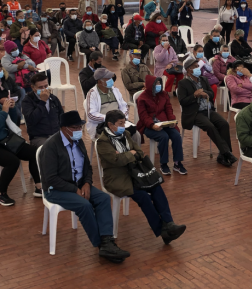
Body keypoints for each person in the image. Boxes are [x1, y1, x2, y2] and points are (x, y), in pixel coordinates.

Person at [38, 110, 130, 262]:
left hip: (80, 184)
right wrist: (75, 189)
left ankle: (107, 239)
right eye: (75, 128)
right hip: (57, 190)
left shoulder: (78, 141)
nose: (79, 131)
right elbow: (51, 178)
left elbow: (87, 166)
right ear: (64, 128)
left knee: (103, 198)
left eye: (80, 127)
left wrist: (87, 183)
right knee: (84, 205)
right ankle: (100, 245)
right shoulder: (51, 147)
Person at [98, 109, 187, 244]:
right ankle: (161, 230)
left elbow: (139, 152)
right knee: (143, 196)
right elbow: (116, 161)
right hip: (117, 178)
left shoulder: (126, 134)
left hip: (135, 173)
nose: (123, 126)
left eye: (124, 123)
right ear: (111, 125)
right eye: (120, 123)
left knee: (156, 187)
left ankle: (169, 223)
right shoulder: (103, 141)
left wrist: (127, 154)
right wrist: (130, 154)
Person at [177, 57, 236, 167]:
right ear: (189, 69)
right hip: (195, 113)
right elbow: (182, 101)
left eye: (197, 66)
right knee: (210, 126)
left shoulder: (203, 79)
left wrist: (205, 93)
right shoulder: (183, 83)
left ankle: (222, 155)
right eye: (195, 67)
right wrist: (195, 95)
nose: (197, 68)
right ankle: (227, 153)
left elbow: (212, 93)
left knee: (224, 124)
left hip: (208, 110)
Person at [135, 76, 186, 175]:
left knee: (176, 135)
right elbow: (143, 116)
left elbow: (168, 109)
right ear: (151, 85)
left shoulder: (163, 95)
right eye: (156, 84)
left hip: (165, 123)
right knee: (164, 137)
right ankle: (164, 164)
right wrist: (152, 125)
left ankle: (177, 162)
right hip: (149, 125)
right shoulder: (142, 98)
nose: (158, 86)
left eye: (159, 83)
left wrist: (172, 120)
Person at [85, 68, 140, 144]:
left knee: (136, 134)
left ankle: (136, 155)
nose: (111, 80)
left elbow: (124, 106)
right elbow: (91, 114)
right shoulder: (92, 94)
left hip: (119, 121)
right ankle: (122, 155)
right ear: (100, 81)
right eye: (108, 78)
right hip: (103, 124)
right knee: (117, 138)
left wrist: (121, 117)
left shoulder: (115, 90)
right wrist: (110, 119)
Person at [22, 72, 64, 147]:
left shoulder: (53, 98)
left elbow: (62, 117)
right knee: (51, 149)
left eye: (46, 86)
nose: (44, 89)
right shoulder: (27, 101)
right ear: (33, 87)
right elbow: (31, 119)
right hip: (39, 137)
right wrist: (42, 102)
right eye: (40, 87)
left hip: (56, 134)